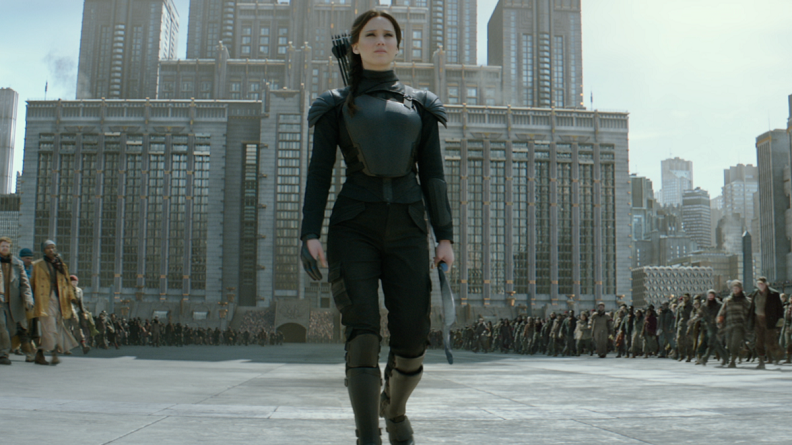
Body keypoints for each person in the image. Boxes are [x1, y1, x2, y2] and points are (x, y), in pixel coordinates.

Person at [300, 10, 453, 445]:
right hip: (354, 227)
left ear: (398, 46)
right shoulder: (334, 105)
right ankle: (367, 437)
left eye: (388, 34)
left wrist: (445, 236)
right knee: (362, 334)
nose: (380, 40)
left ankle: (395, 410)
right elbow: (319, 172)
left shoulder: (421, 105)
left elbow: (433, 175)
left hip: (408, 227)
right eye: (370, 34)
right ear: (355, 46)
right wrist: (308, 233)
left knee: (413, 337)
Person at [30, 240, 79, 365]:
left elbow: (67, 284)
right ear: (43, 250)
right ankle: (53, 354)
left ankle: (40, 353)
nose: (51, 250)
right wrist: (30, 301)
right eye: (48, 248)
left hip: (59, 300)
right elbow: (31, 284)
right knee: (50, 327)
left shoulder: (61, 266)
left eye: (53, 247)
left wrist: (72, 298)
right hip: (44, 300)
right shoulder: (37, 265)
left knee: (56, 327)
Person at [0, 237, 34, 365]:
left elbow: (25, 284)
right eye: (2, 246)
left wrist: (28, 299)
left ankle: (5, 350)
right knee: (1, 325)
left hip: (13, 302)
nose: (5, 248)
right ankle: (4, 354)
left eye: (7, 246)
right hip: (0, 301)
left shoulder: (17, 264)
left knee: (11, 329)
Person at [748, 277, 784, 369]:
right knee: (758, 341)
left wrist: (779, 323)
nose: (760, 285)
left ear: (766, 284)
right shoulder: (755, 293)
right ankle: (761, 361)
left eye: (762, 284)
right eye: (759, 284)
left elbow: (780, 309)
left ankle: (778, 353)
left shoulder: (774, 294)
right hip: (758, 320)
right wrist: (750, 321)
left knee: (770, 341)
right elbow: (752, 308)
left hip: (769, 321)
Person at [717, 281, 751, 368]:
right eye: (734, 288)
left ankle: (732, 361)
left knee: (734, 343)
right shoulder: (728, 300)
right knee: (728, 344)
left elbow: (749, 313)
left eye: (737, 288)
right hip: (729, 325)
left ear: (740, 289)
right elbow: (722, 312)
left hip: (740, 325)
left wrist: (749, 324)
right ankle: (741, 352)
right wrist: (719, 321)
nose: (735, 290)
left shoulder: (745, 301)